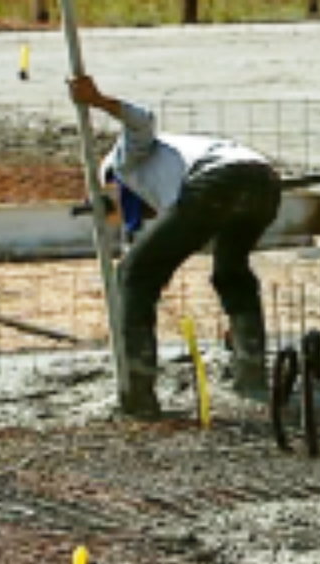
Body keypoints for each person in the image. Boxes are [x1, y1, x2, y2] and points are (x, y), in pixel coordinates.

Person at [68, 75, 281, 417]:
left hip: (218, 180)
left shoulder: (124, 163)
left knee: (133, 277)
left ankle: (138, 397)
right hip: (264, 182)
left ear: (112, 185)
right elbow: (150, 239)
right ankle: (251, 372)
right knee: (231, 271)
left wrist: (96, 100)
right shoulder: (170, 168)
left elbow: (142, 120)